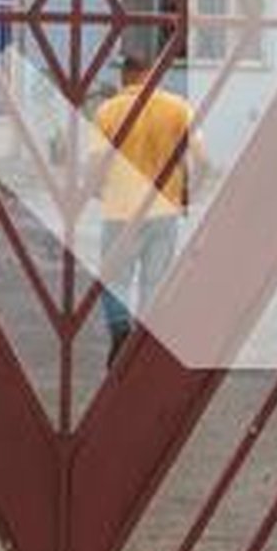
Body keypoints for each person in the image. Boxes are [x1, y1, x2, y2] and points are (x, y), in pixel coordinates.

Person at [85, 44, 199, 361]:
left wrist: (97, 190)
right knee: (156, 276)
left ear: (125, 76)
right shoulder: (177, 108)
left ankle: (121, 332)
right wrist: (186, 192)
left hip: (121, 209)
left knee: (116, 276)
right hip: (163, 208)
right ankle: (146, 346)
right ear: (151, 75)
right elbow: (192, 157)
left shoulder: (108, 111)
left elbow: (96, 161)